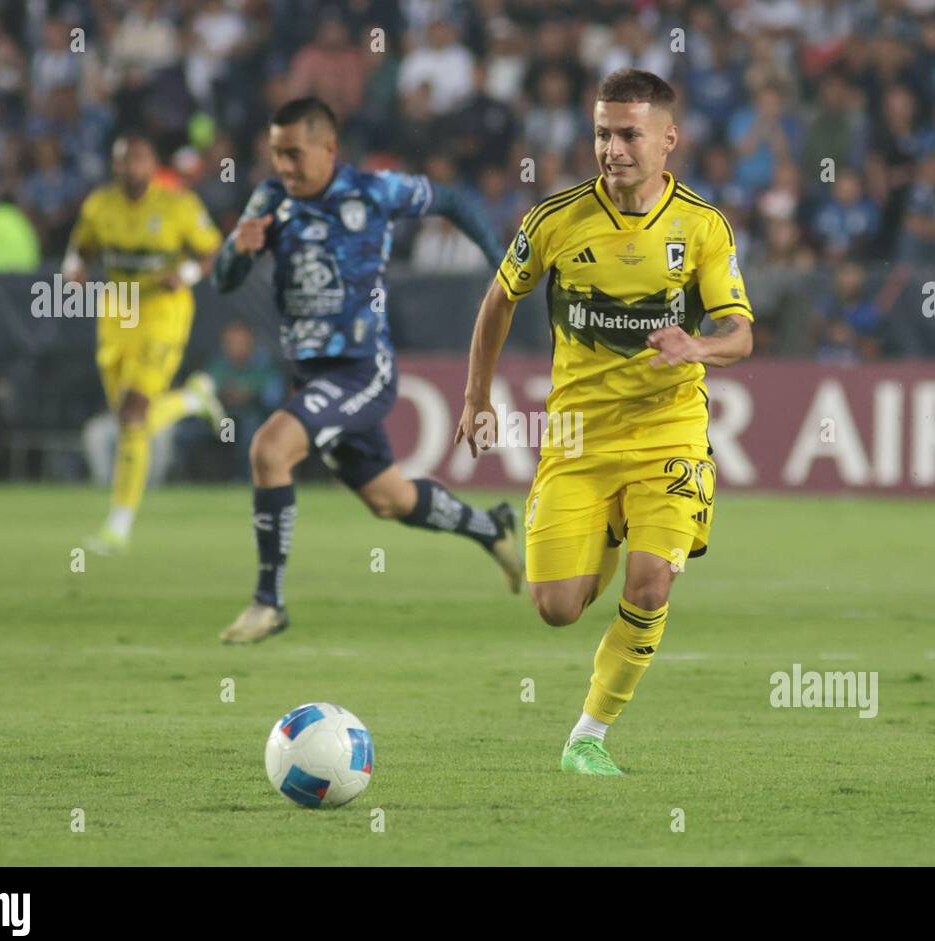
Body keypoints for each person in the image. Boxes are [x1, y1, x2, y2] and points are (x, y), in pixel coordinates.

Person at [455, 69, 754, 775]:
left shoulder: (701, 227)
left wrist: (698, 344)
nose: (613, 149)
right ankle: (610, 528)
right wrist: (476, 397)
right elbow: (499, 300)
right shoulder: (555, 220)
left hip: (668, 431)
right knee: (557, 608)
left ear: (668, 141)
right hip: (575, 438)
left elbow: (740, 333)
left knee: (651, 583)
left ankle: (587, 736)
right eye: (602, 134)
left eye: (628, 135)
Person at [211, 97, 523, 644]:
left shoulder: (375, 191)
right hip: (311, 377)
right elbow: (223, 278)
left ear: (329, 147)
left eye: (293, 153)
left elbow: (449, 199)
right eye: (276, 154)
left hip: (362, 371)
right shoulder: (269, 198)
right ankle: (487, 526)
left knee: (269, 449)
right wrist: (239, 250)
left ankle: (268, 602)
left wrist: (501, 260)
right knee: (390, 500)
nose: (283, 166)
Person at [63, 133, 225, 553]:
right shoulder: (100, 205)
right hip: (117, 314)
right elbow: (81, 247)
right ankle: (191, 401)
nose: (129, 169)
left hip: (163, 315)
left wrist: (185, 275)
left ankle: (118, 525)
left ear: (152, 165)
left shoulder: (178, 205)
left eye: (137, 160)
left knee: (134, 414)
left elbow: (214, 251)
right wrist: (73, 268)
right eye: (122, 161)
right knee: (128, 420)